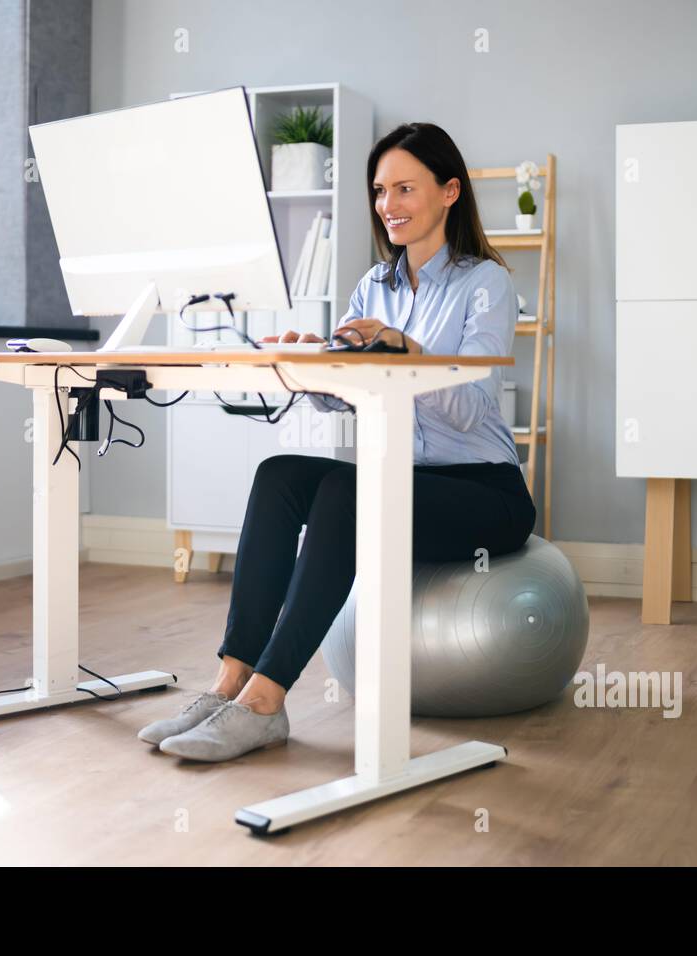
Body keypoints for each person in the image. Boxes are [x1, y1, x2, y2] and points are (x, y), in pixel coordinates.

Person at [139, 122, 537, 761]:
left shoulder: (484, 283)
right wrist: (312, 369)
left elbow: (473, 409)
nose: (388, 206)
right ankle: (231, 681)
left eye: (405, 188)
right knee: (279, 473)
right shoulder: (371, 287)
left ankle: (267, 702)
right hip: (403, 478)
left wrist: (412, 354)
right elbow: (351, 396)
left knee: (346, 493)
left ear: (450, 192)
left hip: (485, 492)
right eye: (380, 191)